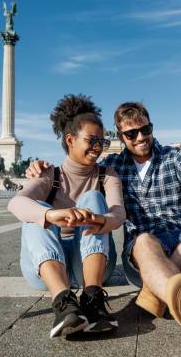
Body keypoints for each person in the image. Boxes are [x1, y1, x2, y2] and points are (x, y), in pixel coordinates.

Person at [27, 102, 181, 352]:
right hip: (142, 255)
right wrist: (39, 168)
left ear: (151, 128)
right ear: (120, 136)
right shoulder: (113, 167)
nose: (140, 138)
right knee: (144, 240)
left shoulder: (174, 157)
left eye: (145, 130)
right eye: (131, 134)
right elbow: (78, 168)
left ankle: (161, 284)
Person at [8, 94, 126, 338]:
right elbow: (16, 203)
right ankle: (63, 303)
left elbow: (118, 213)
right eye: (91, 140)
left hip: (90, 264)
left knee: (93, 199)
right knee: (36, 209)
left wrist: (96, 219)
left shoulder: (108, 175)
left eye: (101, 142)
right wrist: (52, 215)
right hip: (47, 268)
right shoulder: (48, 175)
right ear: (70, 139)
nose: (97, 147)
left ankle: (93, 299)